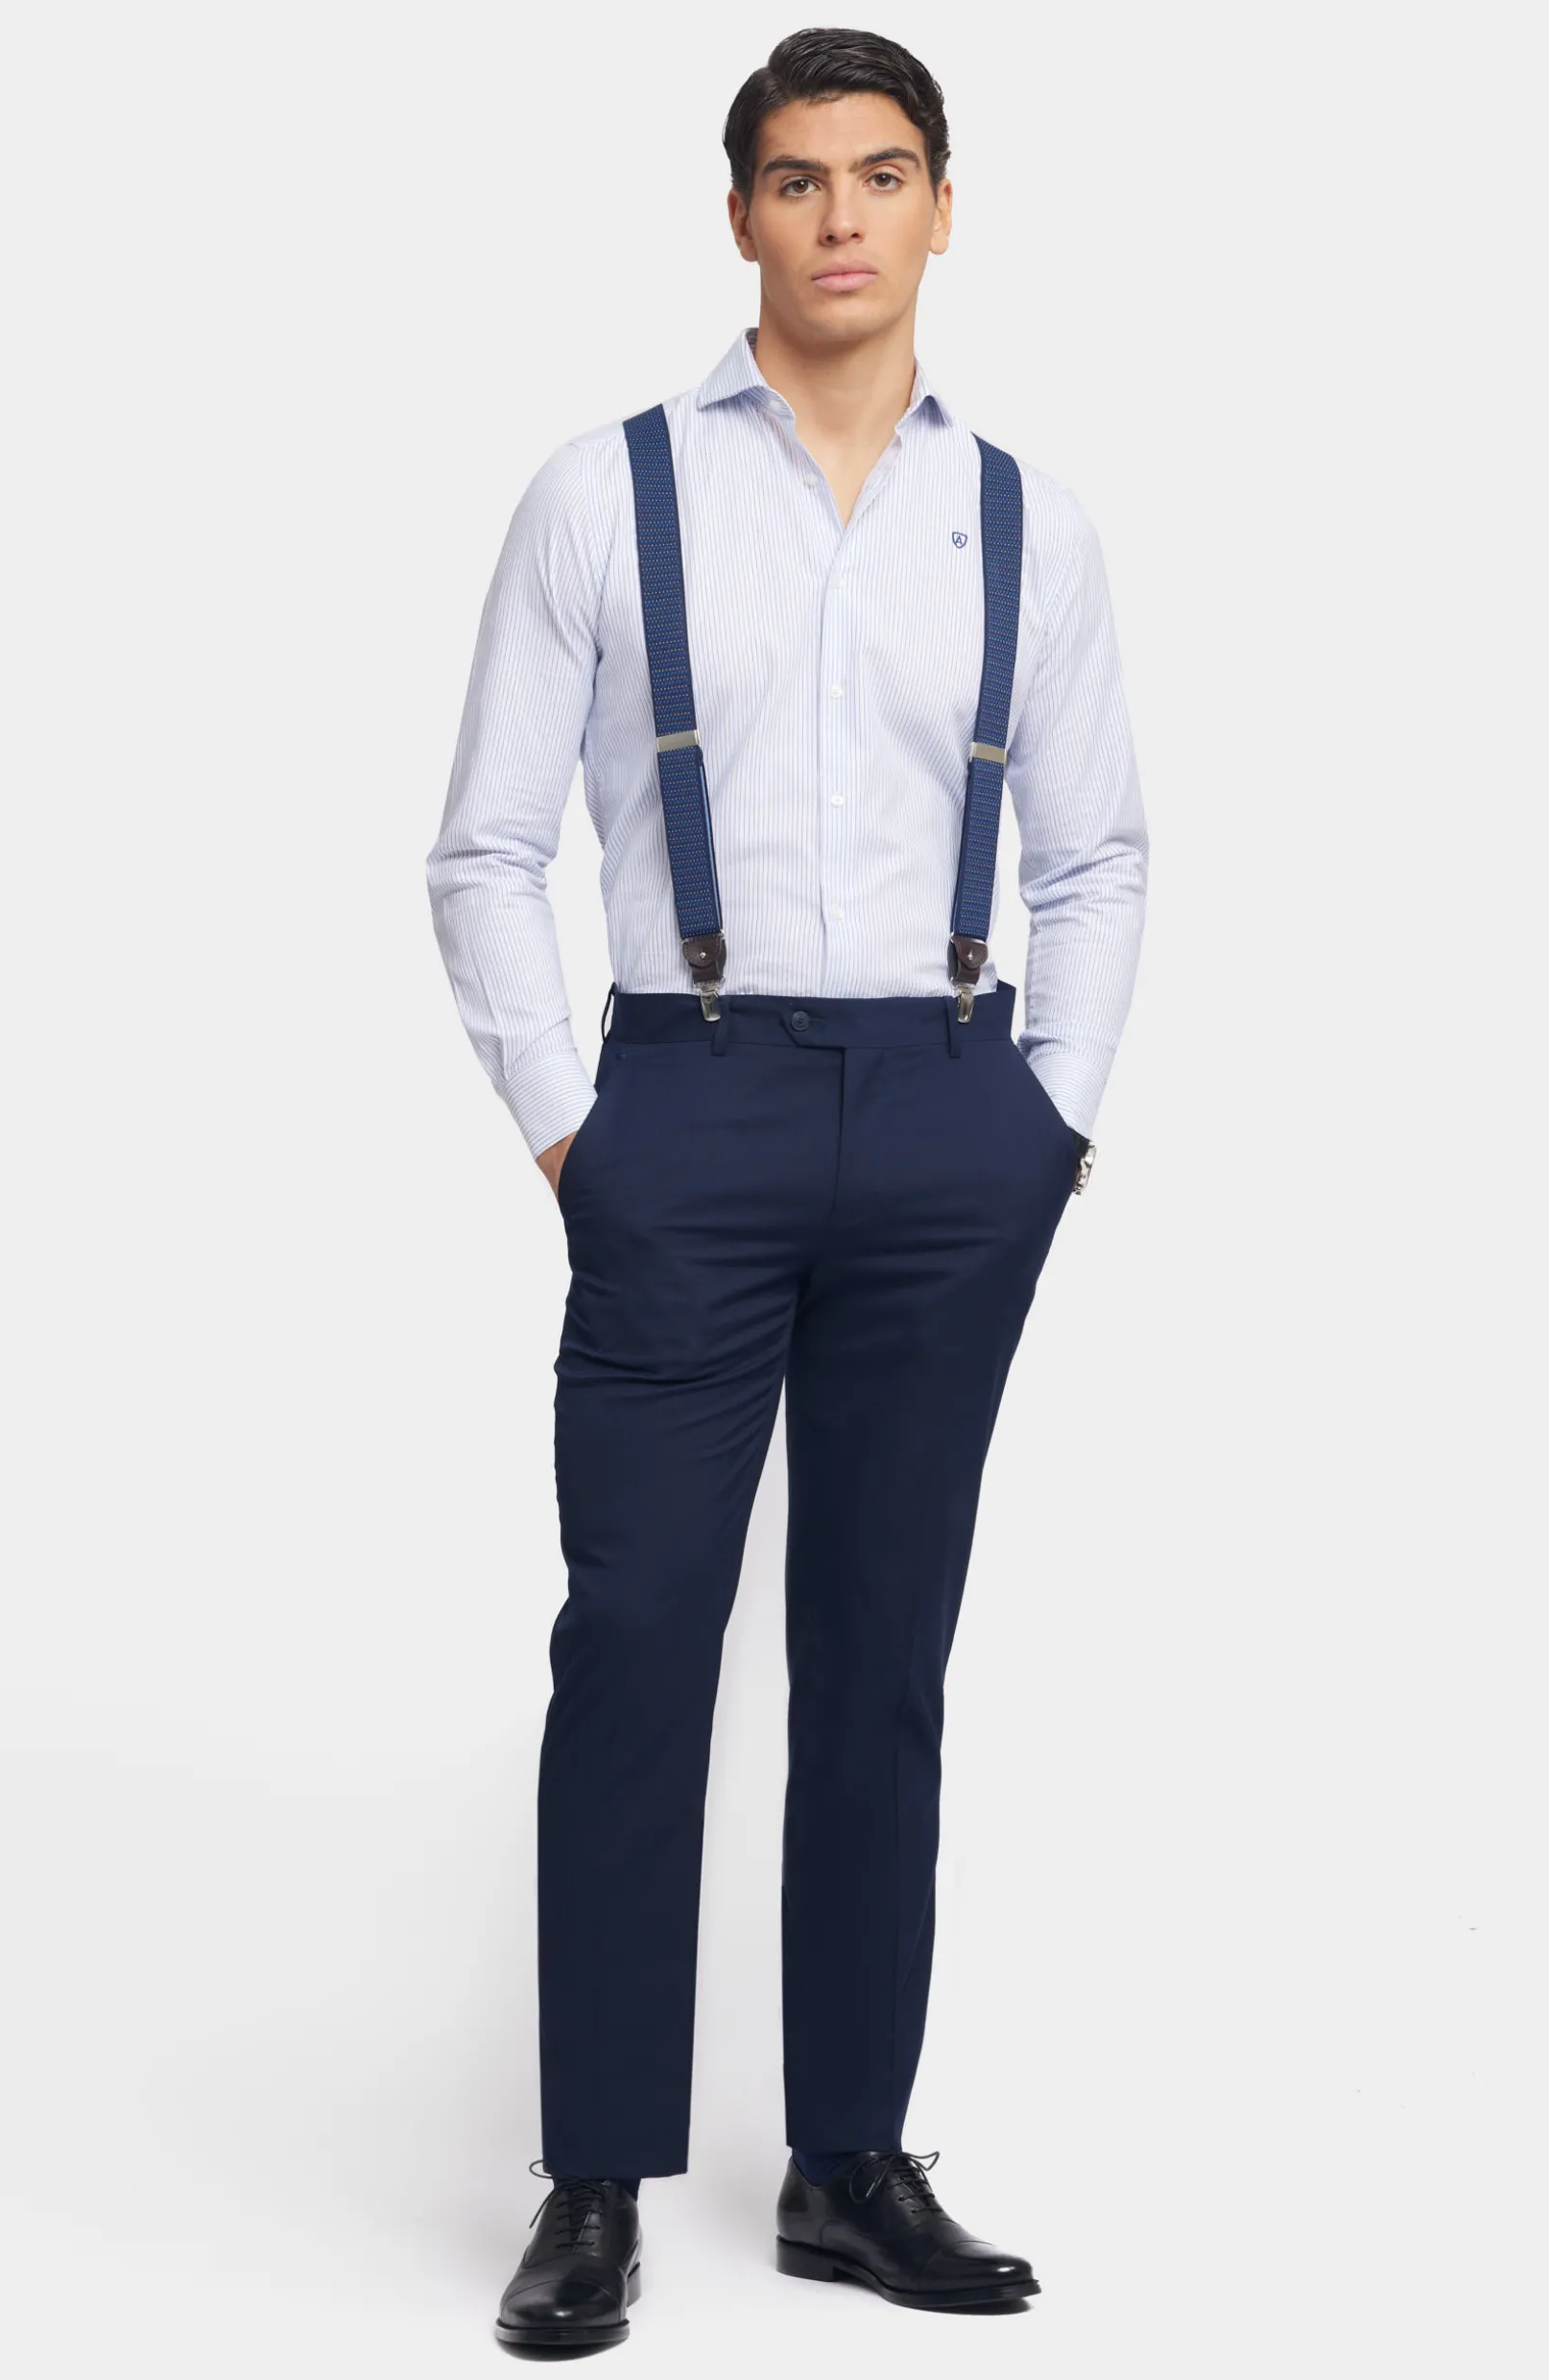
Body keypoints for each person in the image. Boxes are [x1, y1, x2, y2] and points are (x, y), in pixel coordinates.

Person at [424, 26, 1148, 2348]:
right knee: (636, 1641)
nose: (843, 215)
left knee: (881, 1656)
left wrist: (1045, 1121)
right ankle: (597, 2178)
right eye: (801, 177)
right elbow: (484, 846)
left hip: (949, 1115)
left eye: (885, 173)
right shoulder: (603, 493)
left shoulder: (1023, 520)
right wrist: (579, 1131)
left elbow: (1099, 854)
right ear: (738, 213)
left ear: (944, 210)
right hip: (688, 1107)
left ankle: (849, 2158)